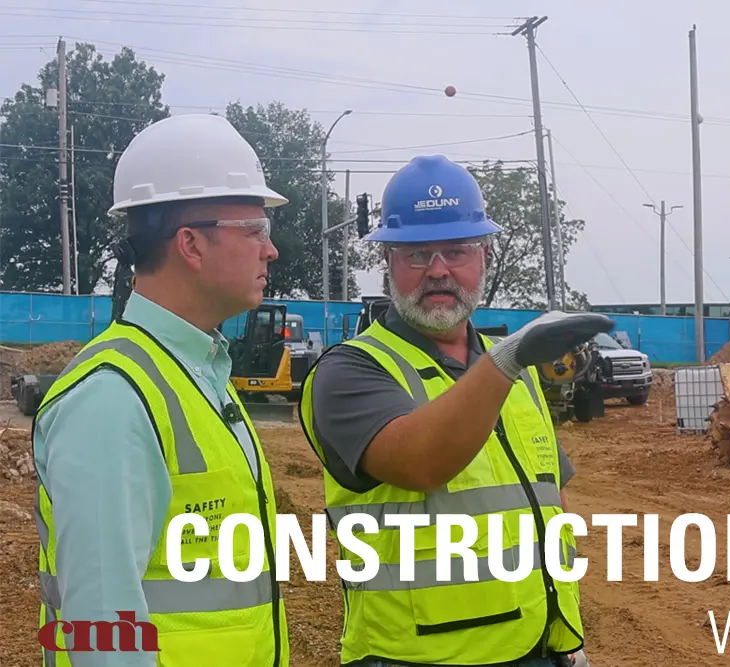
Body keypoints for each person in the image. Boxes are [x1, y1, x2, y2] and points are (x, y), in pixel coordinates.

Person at [298, 154, 612, 667]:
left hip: (532, 649)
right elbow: (420, 463)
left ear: (485, 255)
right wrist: (507, 359)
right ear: (390, 264)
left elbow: (545, 504)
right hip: (413, 656)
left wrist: (566, 637)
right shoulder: (350, 371)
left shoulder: (518, 372)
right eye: (417, 255)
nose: (438, 271)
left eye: (455, 251)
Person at [31, 114, 290, 666]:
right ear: (191, 244)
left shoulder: (197, 370)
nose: (270, 251)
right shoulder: (112, 399)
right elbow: (103, 633)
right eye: (256, 230)